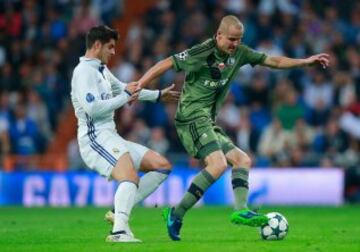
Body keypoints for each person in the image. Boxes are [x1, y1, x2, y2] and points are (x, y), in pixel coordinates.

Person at [136, 15, 330, 241]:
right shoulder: (202, 52)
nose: (235, 44)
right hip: (190, 117)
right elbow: (165, 63)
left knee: (242, 160)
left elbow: (274, 61)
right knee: (217, 164)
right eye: (231, 39)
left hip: (207, 120)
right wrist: (139, 85)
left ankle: (226, 211)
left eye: (239, 39)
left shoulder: (240, 53)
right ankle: (179, 214)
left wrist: (305, 62)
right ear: (218, 35)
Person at [70, 25, 179, 243]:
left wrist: (157, 96)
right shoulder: (83, 72)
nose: (113, 52)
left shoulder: (100, 69)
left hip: (111, 136)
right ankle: (119, 231)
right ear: (97, 45)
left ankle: (118, 209)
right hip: (94, 139)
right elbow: (93, 108)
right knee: (129, 176)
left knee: (161, 165)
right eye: (110, 47)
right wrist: (125, 97)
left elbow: (123, 88)